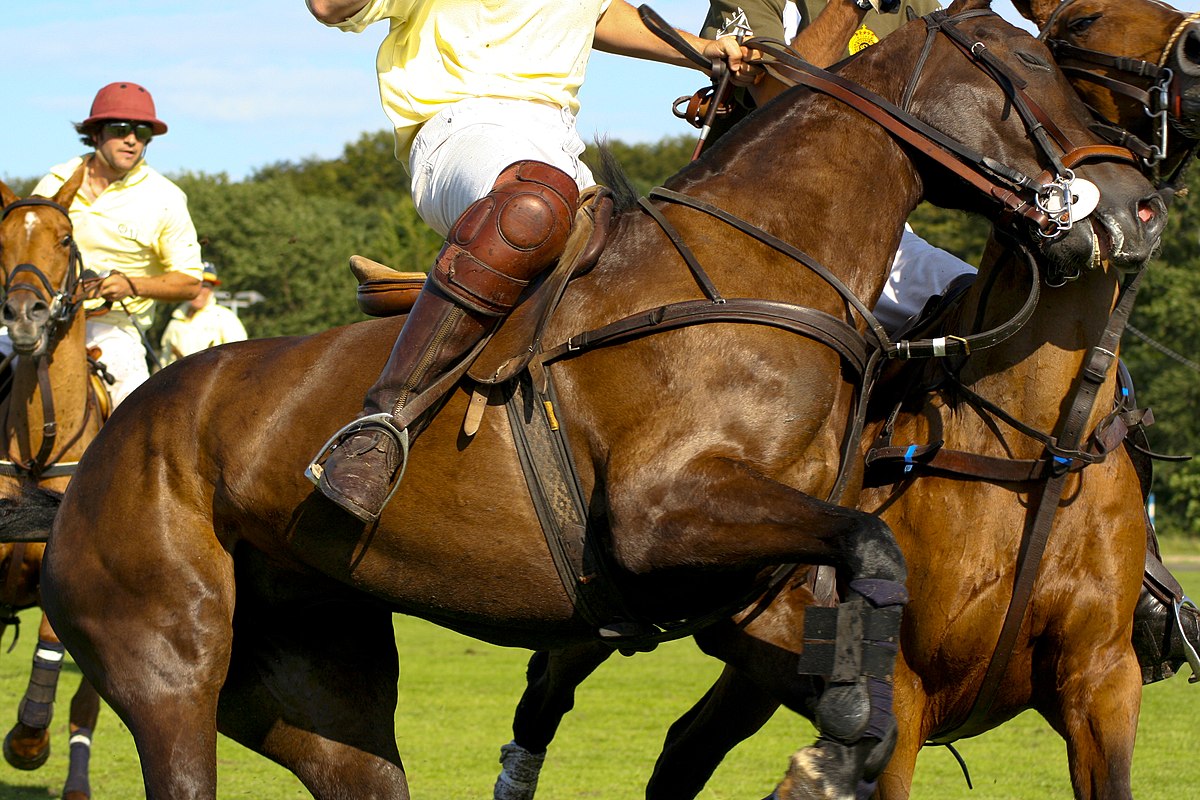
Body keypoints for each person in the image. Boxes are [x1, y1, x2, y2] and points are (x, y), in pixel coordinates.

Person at [304, 0, 760, 523]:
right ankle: (377, 428)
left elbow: (597, 12)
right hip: (460, 128)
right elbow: (329, 6)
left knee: (640, 259)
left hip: (559, 142)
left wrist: (701, 51)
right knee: (532, 206)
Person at [30, 82, 203, 406]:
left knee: (134, 415)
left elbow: (191, 282)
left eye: (142, 132)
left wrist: (130, 285)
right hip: (43, 320)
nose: (132, 139)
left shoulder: (165, 198)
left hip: (113, 328)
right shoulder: (56, 181)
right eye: (121, 128)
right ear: (95, 133)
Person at [160, 263, 248, 366]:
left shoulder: (225, 318)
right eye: (194, 284)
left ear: (212, 289)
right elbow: (164, 362)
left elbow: (241, 360)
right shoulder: (175, 322)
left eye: (205, 286)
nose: (199, 291)